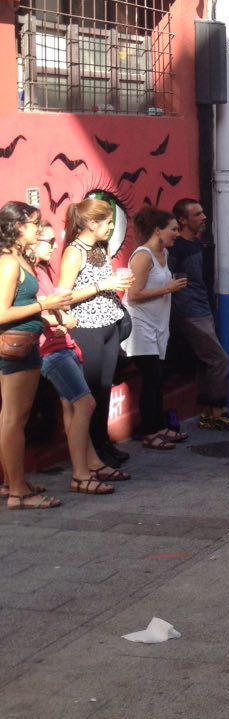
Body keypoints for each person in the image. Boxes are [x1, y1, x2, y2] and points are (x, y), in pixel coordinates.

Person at [30, 223, 126, 495]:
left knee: (72, 406)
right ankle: (81, 474)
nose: (54, 247)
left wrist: (61, 318)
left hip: (63, 343)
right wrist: (59, 320)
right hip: (50, 348)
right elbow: (34, 309)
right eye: (48, 241)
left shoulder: (42, 269)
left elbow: (54, 303)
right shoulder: (25, 272)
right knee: (85, 403)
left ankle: (90, 463)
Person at [1, 203, 73, 509]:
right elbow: (2, 312)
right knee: (14, 419)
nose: (38, 228)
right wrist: (45, 306)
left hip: (27, 344)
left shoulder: (19, 258)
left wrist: (46, 317)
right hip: (16, 348)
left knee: (14, 417)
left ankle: (13, 482)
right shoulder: (9, 262)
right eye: (34, 223)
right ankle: (18, 492)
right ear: (18, 228)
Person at [59, 198, 135, 467]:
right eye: (108, 222)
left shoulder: (102, 247)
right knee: (90, 392)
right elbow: (64, 296)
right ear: (91, 223)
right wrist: (103, 285)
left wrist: (116, 284)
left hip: (109, 324)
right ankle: (91, 452)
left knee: (105, 388)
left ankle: (103, 444)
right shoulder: (74, 252)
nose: (112, 227)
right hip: (86, 328)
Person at [121, 207, 187, 452]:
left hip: (158, 324)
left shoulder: (164, 253)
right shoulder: (143, 255)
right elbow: (133, 295)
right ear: (158, 230)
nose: (177, 234)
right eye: (173, 229)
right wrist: (168, 289)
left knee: (158, 378)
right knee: (152, 378)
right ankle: (149, 432)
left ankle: (158, 426)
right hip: (140, 324)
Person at [169, 199, 229, 431]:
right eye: (197, 214)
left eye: (203, 212)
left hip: (203, 308)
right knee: (219, 360)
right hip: (189, 312)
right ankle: (217, 413)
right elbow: (169, 281)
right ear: (183, 220)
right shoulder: (176, 248)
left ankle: (208, 414)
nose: (204, 217)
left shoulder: (198, 244)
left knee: (207, 361)